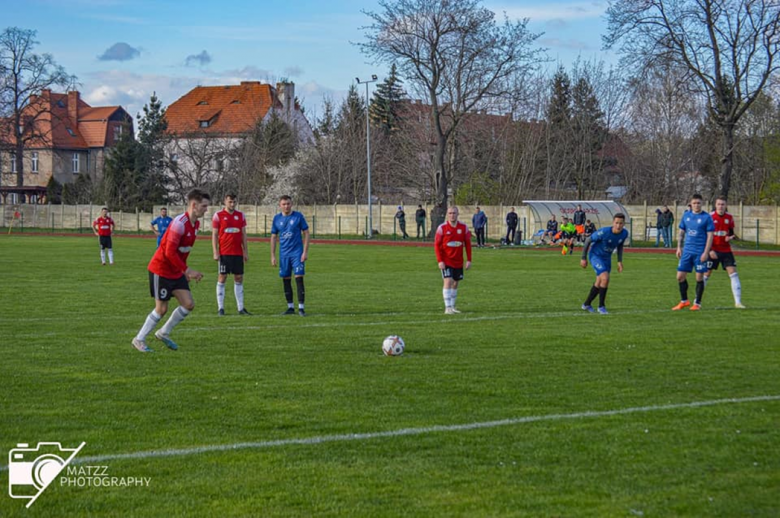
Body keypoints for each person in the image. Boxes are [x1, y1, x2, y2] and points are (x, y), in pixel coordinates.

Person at [132, 189, 211, 353]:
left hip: (175, 270)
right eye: (204, 206)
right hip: (160, 269)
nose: (206, 210)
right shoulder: (179, 223)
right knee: (161, 309)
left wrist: (183, 270)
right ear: (194, 205)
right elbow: (169, 252)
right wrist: (187, 270)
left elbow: (183, 250)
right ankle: (139, 339)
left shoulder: (195, 224)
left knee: (188, 304)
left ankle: (163, 332)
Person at [672, 194, 714, 311]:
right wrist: (679, 247)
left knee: (699, 277)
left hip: (700, 251)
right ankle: (684, 301)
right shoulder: (686, 216)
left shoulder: (706, 218)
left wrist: (706, 252)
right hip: (687, 251)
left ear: (702, 204)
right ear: (691, 204)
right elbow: (681, 232)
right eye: (694, 203)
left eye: (698, 203)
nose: (696, 205)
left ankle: (697, 303)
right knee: (680, 277)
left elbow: (710, 236)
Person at [580, 213, 628, 314]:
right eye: (616, 223)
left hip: (607, 258)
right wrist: (583, 258)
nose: (618, 225)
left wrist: (619, 261)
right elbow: (588, 240)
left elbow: (620, 246)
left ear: (624, 224)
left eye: (621, 223)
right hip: (595, 256)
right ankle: (601, 306)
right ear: (613, 223)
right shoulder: (604, 232)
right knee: (605, 278)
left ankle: (586, 304)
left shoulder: (624, 233)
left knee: (599, 282)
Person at [271, 195, 310, 316]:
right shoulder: (276, 219)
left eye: (288, 203)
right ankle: (290, 307)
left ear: (291, 204)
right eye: (284, 204)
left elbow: (306, 233)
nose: (286, 206)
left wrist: (305, 251)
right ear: (280, 205)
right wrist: (272, 255)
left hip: (297, 253)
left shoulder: (298, 216)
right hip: (284, 254)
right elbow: (273, 237)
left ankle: (301, 308)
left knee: (299, 278)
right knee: (286, 279)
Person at [212, 194, 251, 316]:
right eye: (230, 202)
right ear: (225, 202)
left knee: (238, 278)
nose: (232, 204)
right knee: (222, 277)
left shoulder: (240, 215)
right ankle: (221, 308)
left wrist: (245, 251)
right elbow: (214, 234)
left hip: (237, 253)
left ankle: (240, 308)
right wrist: (215, 251)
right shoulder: (218, 216)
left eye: (234, 202)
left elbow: (243, 234)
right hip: (224, 253)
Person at [704, 198, 745, 308]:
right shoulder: (710, 217)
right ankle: (697, 301)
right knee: (706, 274)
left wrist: (730, 237)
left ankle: (738, 302)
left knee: (733, 273)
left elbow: (730, 232)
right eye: (719, 204)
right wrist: (710, 250)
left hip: (726, 250)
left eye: (723, 204)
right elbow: (705, 235)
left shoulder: (729, 218)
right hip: (713, 250)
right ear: (715, 205)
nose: (721, 206)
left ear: (726, 205)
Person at [435, 206, 472, 314]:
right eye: (450, 213)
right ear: (447, 214)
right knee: (448, 280)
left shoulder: (463, 228)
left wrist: (469, 260)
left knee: (455, 283)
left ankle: (453, 306)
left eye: (454, 213)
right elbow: (437, 245)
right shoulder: (442, 228)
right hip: (446, 260)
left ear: (458, 214)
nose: (452, 215)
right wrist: (440, 261)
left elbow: (468, 244)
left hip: (458, 261)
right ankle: (448, 307)